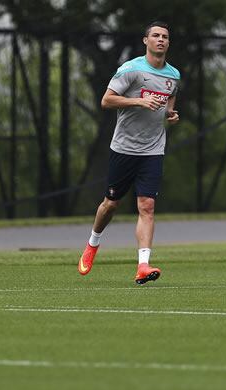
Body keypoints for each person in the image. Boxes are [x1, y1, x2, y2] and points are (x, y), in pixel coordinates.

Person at [78, 21, 180, 285]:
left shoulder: (173, 75)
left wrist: (170, 115)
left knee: (147, 206)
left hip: (153, 149)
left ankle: (143, 266)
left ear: (169, 43)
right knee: (111, 204)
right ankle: (92, 244)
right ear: (145, 40)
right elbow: (106, 100)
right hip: (124, 148)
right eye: (155, 35)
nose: (161, 40)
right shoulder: (131, 69)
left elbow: (168, 103)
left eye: (165, 37)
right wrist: (139, 100)